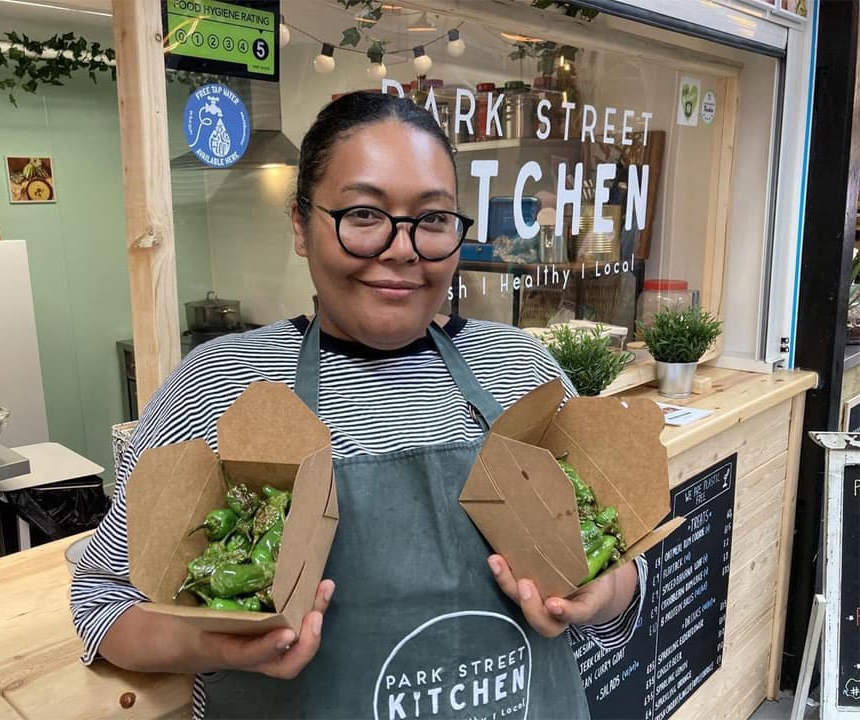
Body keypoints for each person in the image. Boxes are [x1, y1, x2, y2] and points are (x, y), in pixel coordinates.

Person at [72, 91, 645, 720]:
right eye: (365, 215)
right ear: (299, 224)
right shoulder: (221, 386)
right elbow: (103, 603)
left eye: (432, 220)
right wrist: (213, 645)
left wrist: (603, 594)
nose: (402, 249)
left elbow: (623, 568)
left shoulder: (523, 371)